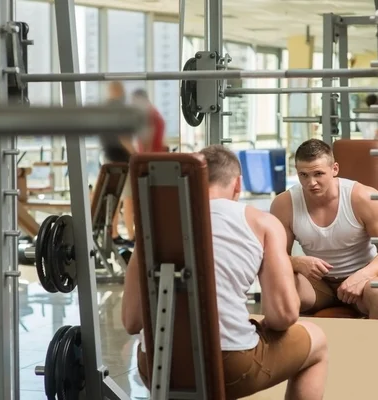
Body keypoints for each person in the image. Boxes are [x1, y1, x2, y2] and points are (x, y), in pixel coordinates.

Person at [121, 144, 328, 400]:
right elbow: (283, 316)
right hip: (230, 366)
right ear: (238, 184)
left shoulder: (153, 223)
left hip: (154, 365)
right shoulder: (262, 222)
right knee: (317, 341)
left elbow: (131, 321)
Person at [270, 138, 378, 320]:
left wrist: (362, 275)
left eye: (318, 174)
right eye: (304, 175)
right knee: (278, 287)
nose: (311, 183)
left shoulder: (363, 197)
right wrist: (297, 262)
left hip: (364, 281)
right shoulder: (284, 204)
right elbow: (274, 256)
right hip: (319, 285)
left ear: (334, 169)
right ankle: (287, 346)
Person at [100, 81, 136, 246]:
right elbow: (124, 137)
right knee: (128, 198)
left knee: (112, 199)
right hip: (122, 160)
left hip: (108, 158)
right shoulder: (119, 111)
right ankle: (131, 235)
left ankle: (113, 234)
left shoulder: (105, 110)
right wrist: (136, 154)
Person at [131, 88, 166, 153]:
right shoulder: (154, 113)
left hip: (150, 158)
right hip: (153, 156)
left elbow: (147, 143)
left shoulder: (150, 115)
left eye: (134, 100)